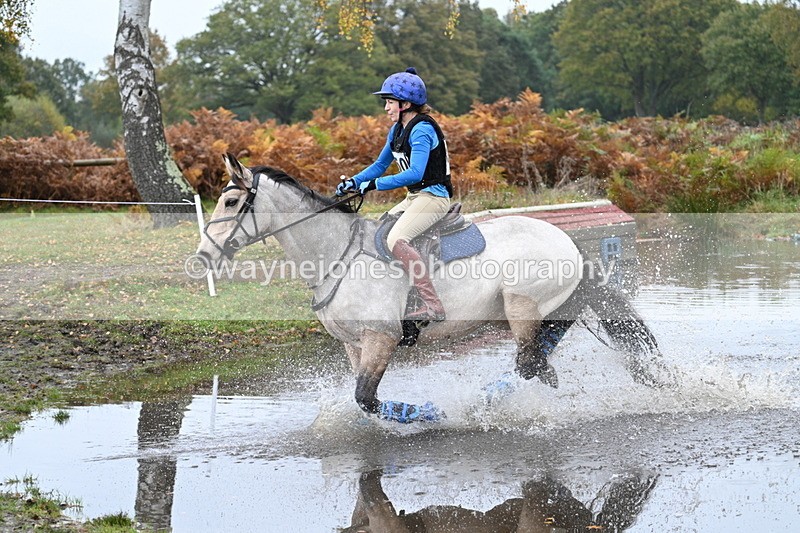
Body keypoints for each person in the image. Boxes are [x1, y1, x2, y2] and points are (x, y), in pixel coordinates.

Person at [336, 67, 453, 323]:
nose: (386, 108)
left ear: (406, 104)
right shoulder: (398, 129)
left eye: (390, 102)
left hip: (434, 197)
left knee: (397, 239)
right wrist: (355, 181)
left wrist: (374, 185)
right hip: (415, 197)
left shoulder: (422, 129)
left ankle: (433, 304)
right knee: (379, 230)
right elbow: (380, 165)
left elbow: (414, 173)